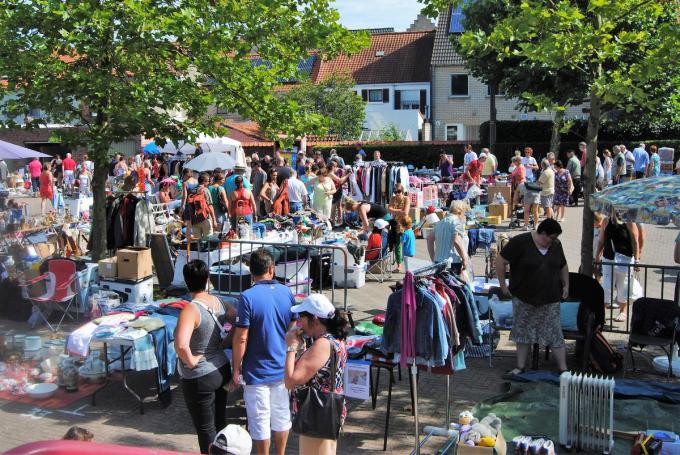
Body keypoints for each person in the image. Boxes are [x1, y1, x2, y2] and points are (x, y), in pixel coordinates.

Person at [230, 249, 296, 455]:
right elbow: (293, 327)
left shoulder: (247, 297)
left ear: (252, 272)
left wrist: (236, 368)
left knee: (259, 420)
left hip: (256, 371)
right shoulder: (287, 292)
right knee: (281, 416)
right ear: (271, 269)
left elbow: (241, 337)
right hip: (282, 368)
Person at [495, 218, 569, 378]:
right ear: (542, 233)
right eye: (550, 237)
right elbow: (500, 261)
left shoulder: (555, 245)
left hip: (550, 298)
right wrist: (503, 285)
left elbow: (563, 265)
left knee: (555, 332)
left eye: (555, 238)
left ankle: (563, 369)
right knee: (522, 332)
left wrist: (566, 285)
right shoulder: (520, 242)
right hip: (524, 297)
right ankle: (520, 366)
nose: (552, 241)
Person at [175, 260, 231, 454]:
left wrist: (190, 361)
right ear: (208, 279)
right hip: (222, 368)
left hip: (200, 376)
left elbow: (181, 345)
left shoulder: (191, 309)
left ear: (186, 281)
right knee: (220, 422)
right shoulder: (220, 302)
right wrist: (226, 341)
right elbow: (241, 321)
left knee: (206, 428)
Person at [285, 294, 349, 455]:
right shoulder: (335, 339)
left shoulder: (322, 344)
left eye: (302, 318)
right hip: (328, 409)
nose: (300, 323)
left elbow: (290, 380)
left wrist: (291, 347)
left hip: (318, 412)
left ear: (314, 319)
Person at [595, 210, 640, 322]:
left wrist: (637, 260)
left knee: (623, 284)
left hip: (625, 259)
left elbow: (635, 241)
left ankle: (623, 311)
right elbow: (601, 240)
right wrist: (597, 256)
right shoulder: (606, 220)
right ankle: (601, 312)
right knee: (606, 284)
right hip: (608, 257)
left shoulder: (629, 222)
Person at [426, 204, 469, 275]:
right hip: (453, 262)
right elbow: (456, 241)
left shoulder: (440, 222)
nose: (464, 216)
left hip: (438, 261)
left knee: (440, 285)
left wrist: (433, 258)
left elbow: (429, 239)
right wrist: (464, 258)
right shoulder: (457, 222)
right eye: (464, 213)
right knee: (453, 285)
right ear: (460, 212)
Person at [387, 183, 411, 273]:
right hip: (396, 224)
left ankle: (408, 266)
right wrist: (400, 211)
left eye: (399, 191)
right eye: (395, 192)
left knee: (406, 246)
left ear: (402, 191)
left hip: (404, 224)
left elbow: (405, 213)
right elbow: (389, 209)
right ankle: (399, 266)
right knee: (397, 245)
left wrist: (395, 211)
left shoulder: (406, 199)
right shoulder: (393, 198)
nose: (397, 194)